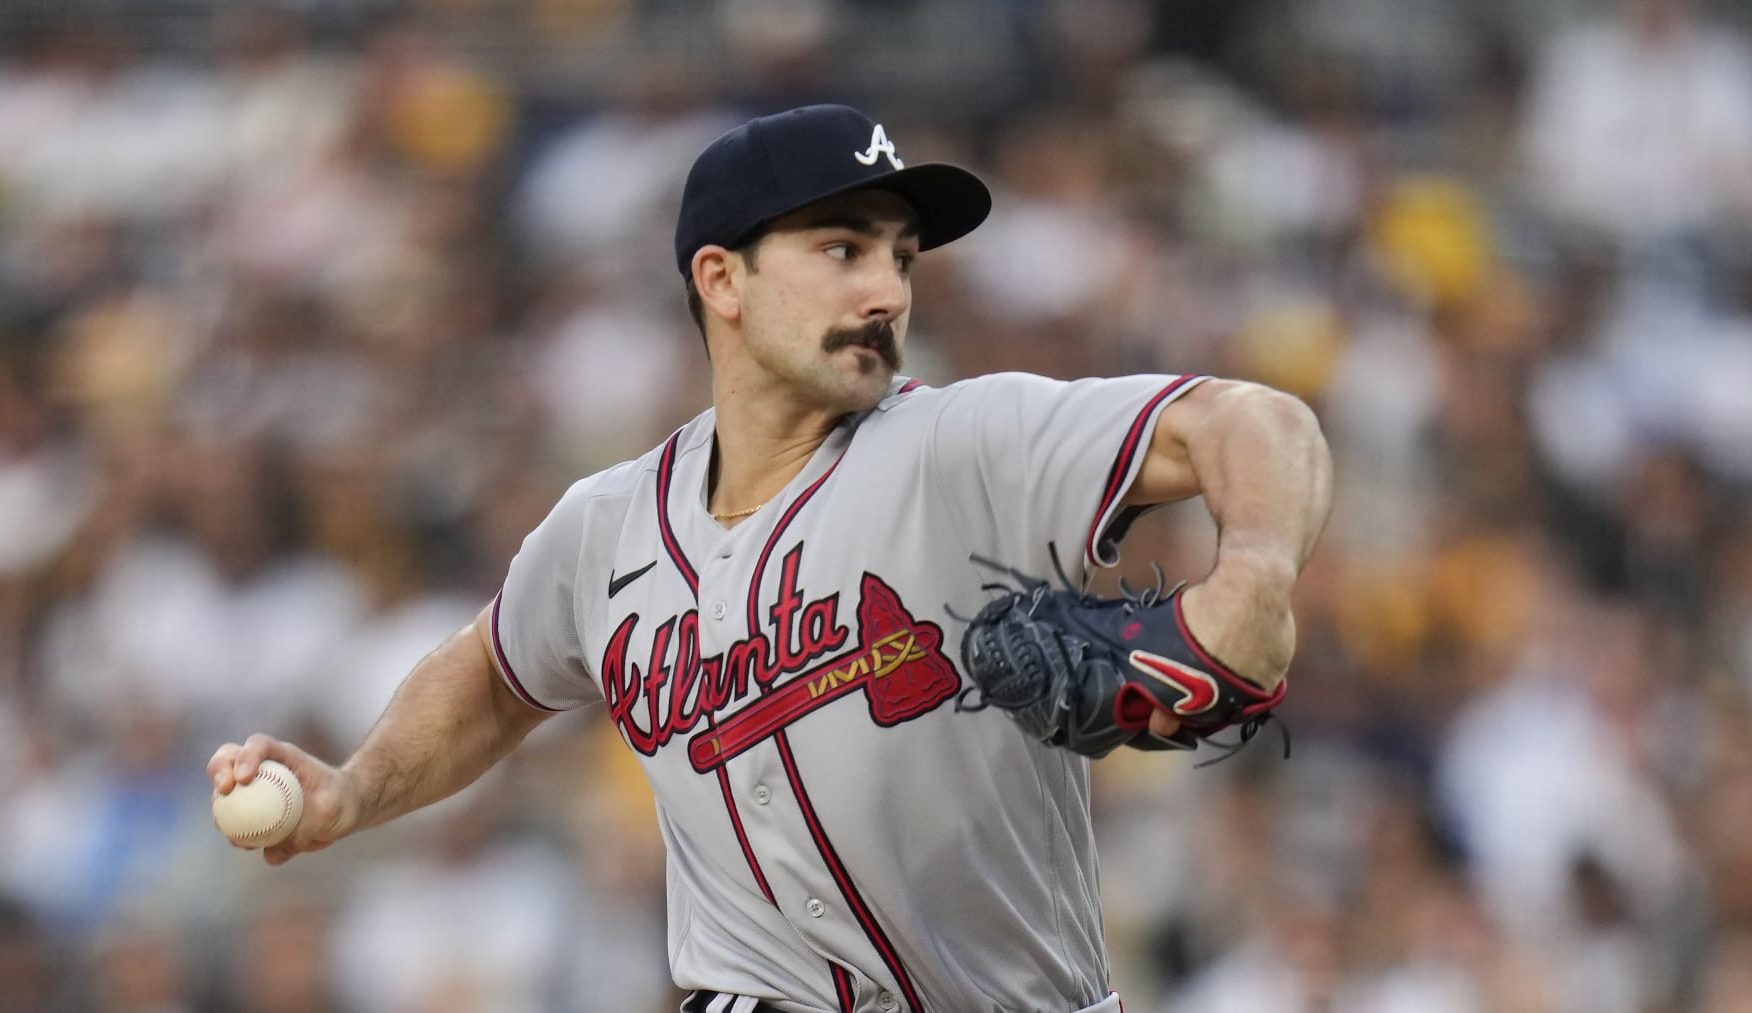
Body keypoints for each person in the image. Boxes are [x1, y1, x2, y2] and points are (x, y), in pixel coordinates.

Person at [208, 104, 1334, 1013]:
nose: (886, 291)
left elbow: (1257, 423)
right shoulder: (606, 525)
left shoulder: (963, 443)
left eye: (900, 257)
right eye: (842, 249)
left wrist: (1253, 574)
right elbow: (495, 674)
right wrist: (354, 788)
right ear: (721, 280)